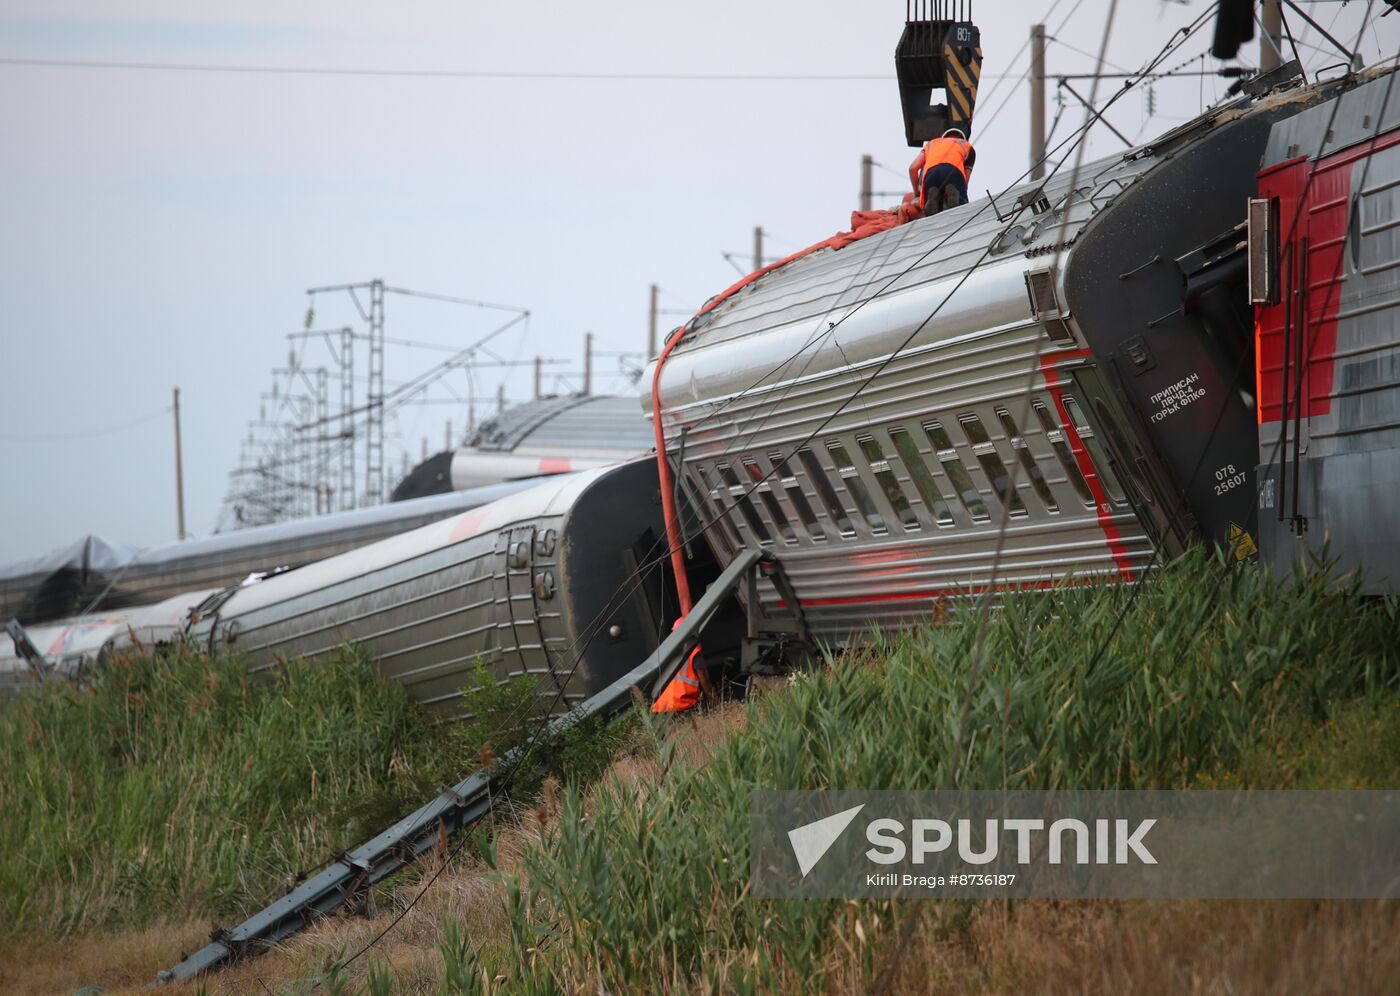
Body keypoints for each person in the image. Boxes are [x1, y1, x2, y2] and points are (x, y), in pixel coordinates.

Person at [909, 128, 976, 214]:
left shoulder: (931, 144)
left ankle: (934, 200)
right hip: (953, 172)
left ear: (943, 138)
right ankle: (955, 197)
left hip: (930, 175)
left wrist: (917, 193)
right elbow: (965, 180)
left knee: (933, 209)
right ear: (962, 139)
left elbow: (912, 168)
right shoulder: (967, 146)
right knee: (961, 203)